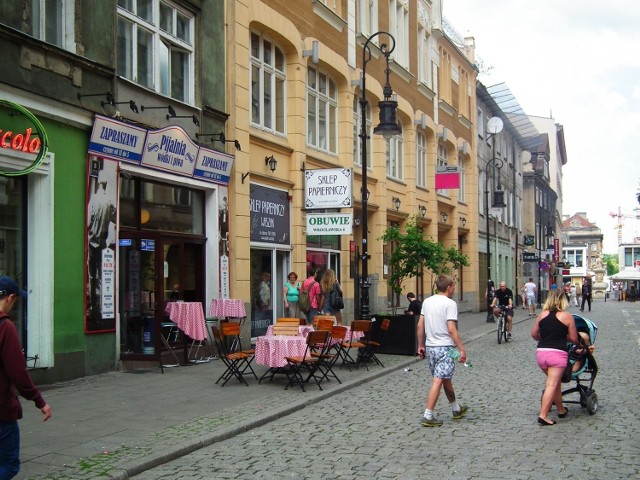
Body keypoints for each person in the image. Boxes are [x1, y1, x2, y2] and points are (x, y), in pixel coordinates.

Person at [0, 276, 52, 478]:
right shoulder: (5, 328)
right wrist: (40, 401)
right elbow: (18, 373)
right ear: (11, 298)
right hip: (1, 411)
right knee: (9, 465)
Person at [416, 275, 468, 427]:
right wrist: (462, 349)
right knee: (438, 379)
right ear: (449, 287)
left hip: (431, 347)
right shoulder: (450, 304)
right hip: (445, 347)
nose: (454, 289)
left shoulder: (427, 301)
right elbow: (451, 329)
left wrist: (420, 345)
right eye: (454, 287)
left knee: (445, 378)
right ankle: (428, 414)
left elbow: (420, 325)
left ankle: (456, 409)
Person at [530, 288, 578, 426]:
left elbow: (534, 334)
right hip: (557, 355)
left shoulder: (542, 315)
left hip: (542, 353)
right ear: (563, 300)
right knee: (551, 384)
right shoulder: (567, 316)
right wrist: (563, 337)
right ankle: (543, 415)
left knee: (554, 383)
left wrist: (546, 337)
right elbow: (574, 338)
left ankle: (561, 410)